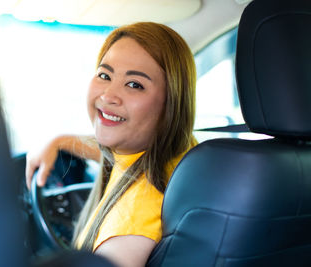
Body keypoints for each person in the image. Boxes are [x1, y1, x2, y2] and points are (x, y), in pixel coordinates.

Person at [26, 22, 197, 267]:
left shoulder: (133, 216)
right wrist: (59, 141)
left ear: (171, 104)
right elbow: (113, 151)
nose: (107, 95)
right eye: (105, 75)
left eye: (135, 84)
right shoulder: (179, 155)